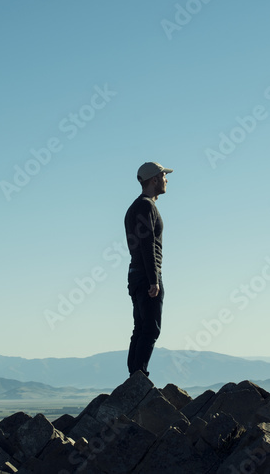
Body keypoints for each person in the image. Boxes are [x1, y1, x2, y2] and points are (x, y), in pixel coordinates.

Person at [124, 161, 172, 379]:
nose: (166, 180)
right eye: (164, 176)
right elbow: (147, 244)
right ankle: (139, 377)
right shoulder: (146, 206)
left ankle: (135, 376)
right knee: (150, 329)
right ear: (154, 179)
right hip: (146, 275)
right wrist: (154, 279)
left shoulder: (135, 207)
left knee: (141, 328)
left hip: (136, 273)